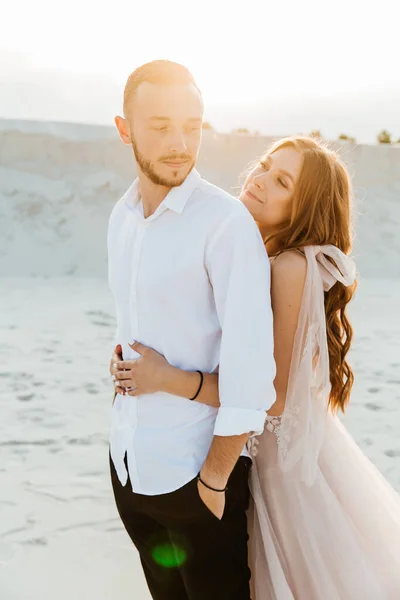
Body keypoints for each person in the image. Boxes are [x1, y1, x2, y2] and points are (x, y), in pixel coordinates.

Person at [112, 136, 400, 599]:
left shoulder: (290, 266)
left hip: (279, 469)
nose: (260, 180)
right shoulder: (258, 252)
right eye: (265, 166)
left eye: (282, 181)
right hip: (245, 445)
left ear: (305, 208)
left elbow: (276, 396)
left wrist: (167, 380)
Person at [107, 60, 276, 600]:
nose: (180, 142)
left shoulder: (224, 224)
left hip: (198, 478)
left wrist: (213, 479)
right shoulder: (122, 217)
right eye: (160, 126)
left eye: (192, 125)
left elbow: (252, 375)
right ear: (125, 129)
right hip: (131, 469)